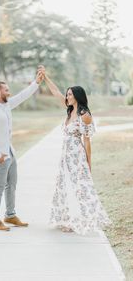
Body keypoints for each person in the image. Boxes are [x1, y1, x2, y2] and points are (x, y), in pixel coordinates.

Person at [38, 65, 111, 235]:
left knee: (79, 188)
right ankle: (67, 219)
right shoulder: (69, 110)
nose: (67, 96)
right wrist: (46, 77)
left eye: (70, 94)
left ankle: (76, 220)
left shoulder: (84, 115)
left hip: (77, 158)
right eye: (67, 94)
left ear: (77, 96)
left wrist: (88, 164)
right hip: (65, 157)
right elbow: (56, 92)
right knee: (65, 187)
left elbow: (87, 141)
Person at [0, 72, 43, 231]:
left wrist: (36, 82)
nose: (9, 93)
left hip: (10, 153)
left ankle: (10, 215)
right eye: (6, 90)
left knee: (11, 185)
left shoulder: (6, 105)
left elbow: (23, 96)